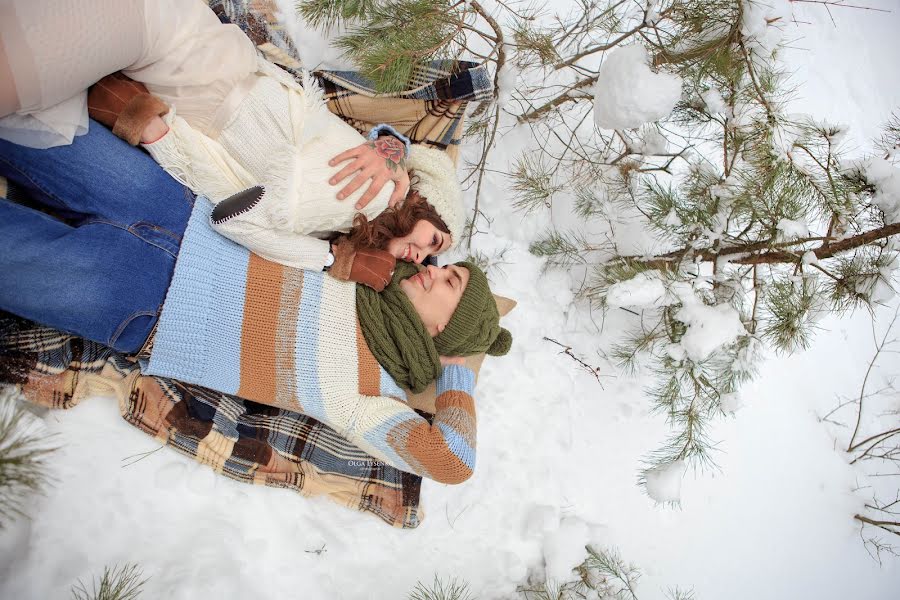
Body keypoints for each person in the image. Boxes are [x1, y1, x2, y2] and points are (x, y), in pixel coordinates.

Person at [0, 122, 512, 485]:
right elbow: (395, 168)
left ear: (442, 331)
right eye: (447, 267)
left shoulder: (371, 396)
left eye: (450, 285)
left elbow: (453, 462)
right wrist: (390, 151)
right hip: (178, 206)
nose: (434, 270)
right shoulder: (386, 252)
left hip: (142, 300)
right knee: (27, 119)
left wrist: (456, 371)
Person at [0, 0, 466, 281]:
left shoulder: (354, 214)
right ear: (423, 203)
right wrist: (329, 259)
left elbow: (245, 200)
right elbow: (239, 217)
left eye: (425, 259)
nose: (419, 256)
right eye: (433, 240)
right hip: (183, 58)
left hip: (191, 61)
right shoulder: (371, 191)